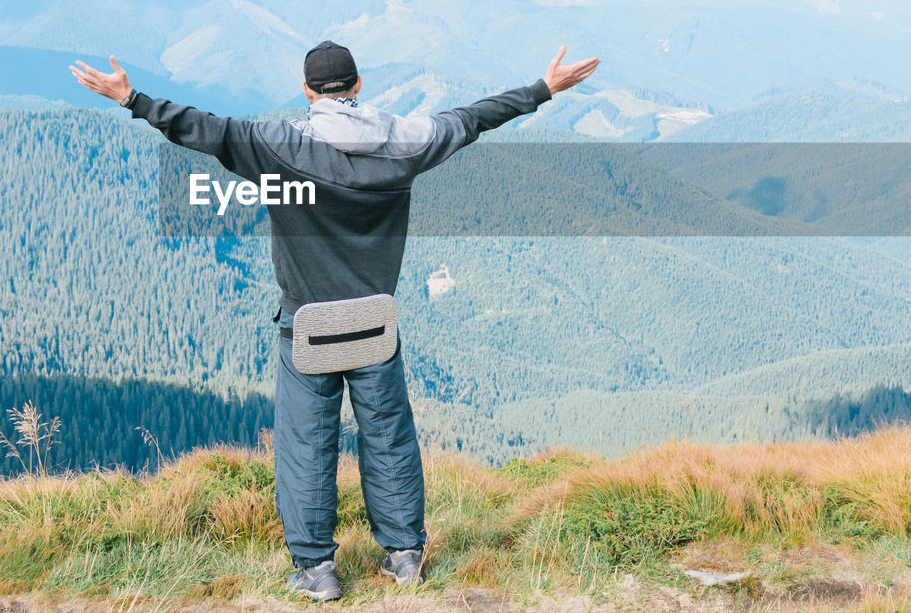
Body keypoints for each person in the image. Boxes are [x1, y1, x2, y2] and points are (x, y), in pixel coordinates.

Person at [70, 41, 599, 601]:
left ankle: (317, 571)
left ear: (306, 91)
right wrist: (543, 89)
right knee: (389, 437)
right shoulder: (406, 144)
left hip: (308, 325)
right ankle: (404, 555)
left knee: (306, 444)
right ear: (358, 84)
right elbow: (472, 119)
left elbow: (204, 129)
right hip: (374, 322)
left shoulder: (276, 145)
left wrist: (131, 98)